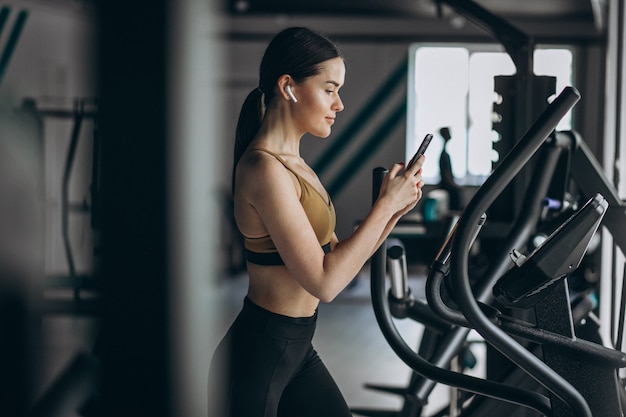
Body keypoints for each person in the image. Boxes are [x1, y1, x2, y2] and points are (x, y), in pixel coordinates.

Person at [209, 26, 425, 417]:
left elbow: (337, 259)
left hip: (296, 349)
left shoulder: (298, 167)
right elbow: (325, 283)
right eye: (330, 89)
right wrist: (384, 208)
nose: (339, 104)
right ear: (289, 86)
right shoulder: (264, 168)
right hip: (257, 358)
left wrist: (392, 209)